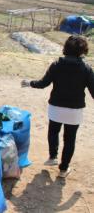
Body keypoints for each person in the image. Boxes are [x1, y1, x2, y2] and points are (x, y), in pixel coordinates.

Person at [21, 36, 94, 178]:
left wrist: (29, 83)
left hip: (56, 107)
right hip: (74, 110)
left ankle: (53, 156)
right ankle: (63, 169)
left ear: (65, 48)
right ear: (83, 50)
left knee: (53, 131)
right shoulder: (86, 69)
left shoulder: (56, 65)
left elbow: (43, 83)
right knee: (70, 138)